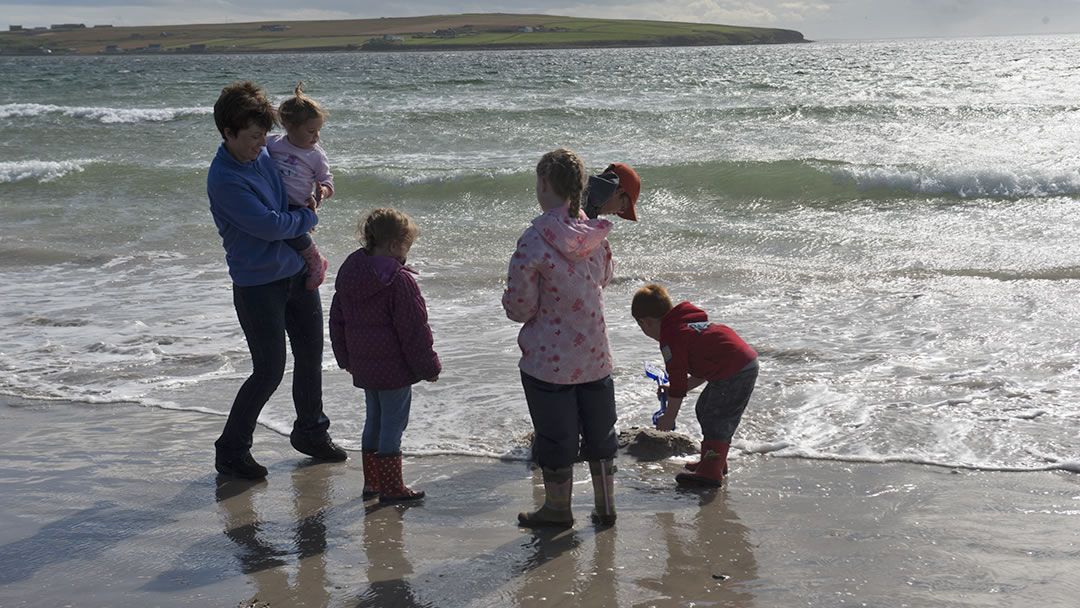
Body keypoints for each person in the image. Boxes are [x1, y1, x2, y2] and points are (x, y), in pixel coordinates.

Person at [207, 80, 347, 480]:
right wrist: (309, 217)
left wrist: (318, 189)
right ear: (228, 133)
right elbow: (269, 226)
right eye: (252, 138)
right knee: (268, 370)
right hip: (257, 285)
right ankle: (231, 450)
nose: (260, 144)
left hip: (296, 273)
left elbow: (298, 174)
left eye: (263, 136)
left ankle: (311, 433)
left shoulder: (265, 153)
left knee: (311, 357)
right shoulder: (225, 179)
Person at [502, 148, 618, 527]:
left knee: (556, 436)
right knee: (600, 434)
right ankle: (604, 506)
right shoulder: (595, 235)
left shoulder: (534, 239)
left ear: (543, 184)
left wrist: (516, 304)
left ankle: (557, 508)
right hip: (595, 355)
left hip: (548, 360)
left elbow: (520, 305)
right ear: (579, 189)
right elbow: (603, 279)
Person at [329, 207, 441, 503]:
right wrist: (428, 366)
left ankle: (373, 483)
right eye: (406, 247)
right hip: (394, 369)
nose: (406, 255)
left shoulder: (350, 273)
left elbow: (336, 320)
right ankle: (392, 488)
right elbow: (414, 329)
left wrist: (345, 358)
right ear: (394, 246)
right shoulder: (399, 281)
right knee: (393, 424)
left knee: (374, 420)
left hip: (363, 365)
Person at [631, 284, 758, 487]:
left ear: (645, 323)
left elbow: (679, 379)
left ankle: (711, 471)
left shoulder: (671, 338)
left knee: (714, 414)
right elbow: (701, 371)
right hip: (741, 364)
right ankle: (714, 462)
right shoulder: (685, 326)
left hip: (734, 369)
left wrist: (669, 416)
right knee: (706, 408)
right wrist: (674, 389)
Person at [266, 82, 333, 290]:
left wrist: (323, 190)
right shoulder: (274, 143)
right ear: (289, 126)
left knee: (294, 234)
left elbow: (327, 178)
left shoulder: (315, 154)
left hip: (298, 204)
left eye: (319, 130)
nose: (316, 136)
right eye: (311, 131)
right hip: (274, 201)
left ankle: (315, 261)